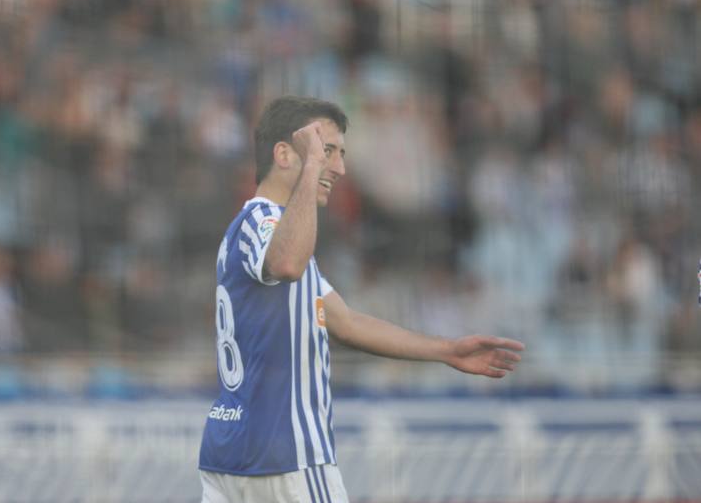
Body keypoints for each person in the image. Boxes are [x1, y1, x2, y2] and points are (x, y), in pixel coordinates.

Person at [198, 96, 525, 502]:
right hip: (285, 456)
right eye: (325, 150)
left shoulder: (269, 234)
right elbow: (286, 263)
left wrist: (447, 350)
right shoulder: (265, 221)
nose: (338, 167)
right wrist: (311, 169)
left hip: (236, 453)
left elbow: (347, 323)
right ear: (284, 153)